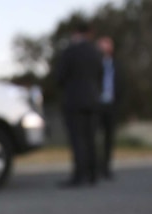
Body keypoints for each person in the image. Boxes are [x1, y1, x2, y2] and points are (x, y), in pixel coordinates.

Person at [57, 20, 103, 187]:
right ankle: (93, 174)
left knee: (77, 139)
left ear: (76, 33)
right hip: (92, 99)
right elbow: (100, 74)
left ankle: (79, 175)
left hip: (74, 100)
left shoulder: (70, 51)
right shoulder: (95, 51)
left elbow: (60, 77)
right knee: (91, 138)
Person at [97, 36, 123, 179]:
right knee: (95, 138)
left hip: (111, 105)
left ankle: (106, 167)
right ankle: (94, 167)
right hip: (97, 105)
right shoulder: (94, 65)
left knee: (109, 138)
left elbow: (122, 86)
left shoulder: (117, 65)